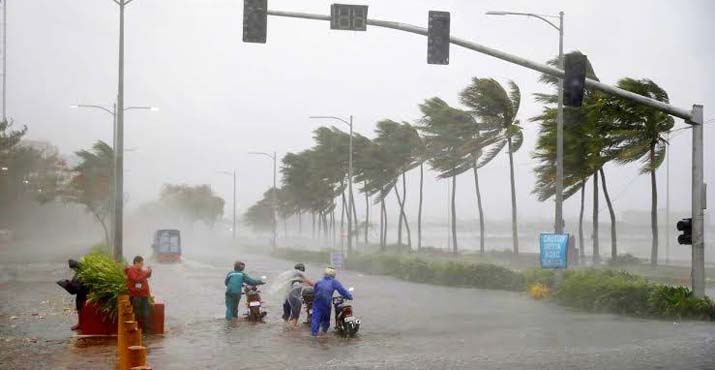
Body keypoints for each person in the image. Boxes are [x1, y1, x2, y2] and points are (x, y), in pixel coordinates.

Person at [311, 266, 352, 336]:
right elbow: (342, 291)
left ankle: (314, 336)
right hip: (326, 305)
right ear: (333, 274)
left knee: (315, 320)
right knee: (326, 322)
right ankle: (324, 334)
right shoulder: (334, 282)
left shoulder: (319, 281)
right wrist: (350, 297)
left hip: (317, 304)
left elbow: (314, 292)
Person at [125, 255, 153, 334]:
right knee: (137, 314)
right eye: (141, 263)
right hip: (136, 296)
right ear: (136, 263)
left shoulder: (141, 271)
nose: (142, 265)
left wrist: (149, 271)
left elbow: (147, 275)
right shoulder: (131, 271)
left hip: (144, 295)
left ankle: (147, 332)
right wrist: (145, 273)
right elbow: (136, 279)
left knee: (146, 314)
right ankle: (136, 331)